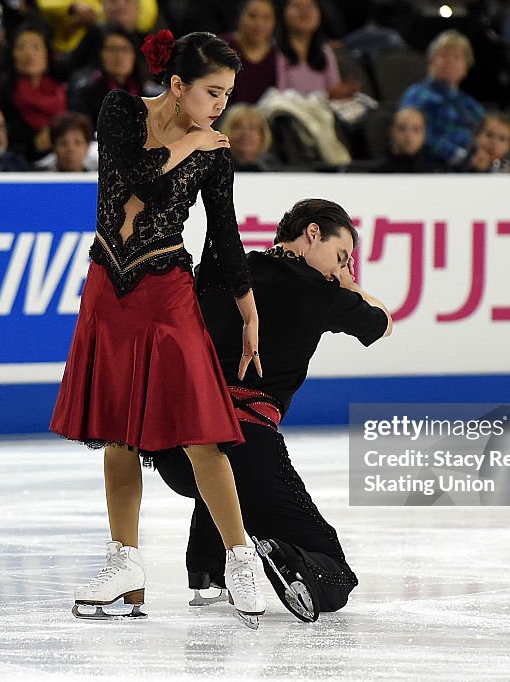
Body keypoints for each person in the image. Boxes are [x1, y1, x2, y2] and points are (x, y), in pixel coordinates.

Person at [49, 29, 268, 626]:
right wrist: (189, 146)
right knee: (116, 429)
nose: (221, 105)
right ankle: (126, 564)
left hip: (168, 290)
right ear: (177, 85)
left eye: (227, 93)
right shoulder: (120, 112)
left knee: (201, 431)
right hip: (108, 286)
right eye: (211, 91)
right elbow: (134, 178)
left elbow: (224, 234)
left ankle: (239, 555)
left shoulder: (216, 149)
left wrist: (247, 308)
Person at [151, 198, 391, 622]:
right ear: (312, 233)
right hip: (248, 448)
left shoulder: (229, 270)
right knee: (335, 574)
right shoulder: (319, 289)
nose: (339, 269)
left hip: (175, 447)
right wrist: (349, 286)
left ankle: (206, 573)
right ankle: (284, 554)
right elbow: (382, 322)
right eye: (340, 256)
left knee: (215, 466)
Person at [398, 30, 484, 170]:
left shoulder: (470, 104)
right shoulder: (417, 95)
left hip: (473, 167)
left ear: (465, 68)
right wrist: (458, 155)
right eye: (443, 56)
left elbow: (486, 133)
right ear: (431, 62)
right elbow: (415, 136)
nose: (449, 61)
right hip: (435, 168)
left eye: (456, 57)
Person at [0, 22, 66, 161]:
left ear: (47, 54)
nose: (29, 54)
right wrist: (34, 145)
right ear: (12, 54)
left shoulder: (62, 89)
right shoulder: (1, 92)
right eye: (21, 48)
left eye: (36, 47)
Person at [68, 24, 157, 133]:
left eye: (125, 50)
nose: (119, 56)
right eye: (112, 49)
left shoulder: (148, 93)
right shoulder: (86, 92)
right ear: (100, 55)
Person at [275, 0, 359, 99]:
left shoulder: (325, 52)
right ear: (282, 12)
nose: (305, 11)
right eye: (297, 5)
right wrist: (327, 95)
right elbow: (279, 99)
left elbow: (334, 91)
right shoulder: (275, 52)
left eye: (310, 6)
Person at [223, 0, 278, 105]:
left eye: (266, 18)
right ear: (240, 17)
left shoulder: (278, 54)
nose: (259, 23)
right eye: (252, 16)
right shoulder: (224, 47)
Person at [373, 106, 439, 173]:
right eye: (402, 129)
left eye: (416, 129)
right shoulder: (376, 174)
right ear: (391, 132)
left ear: (424, 134)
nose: (409, 135)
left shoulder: (437, 172)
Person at [220, 102, 280, 171]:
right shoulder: (214, 168)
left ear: (263, 135)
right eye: (238, 126)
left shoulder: (277, 171)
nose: (245, 133)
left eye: (252, 128)